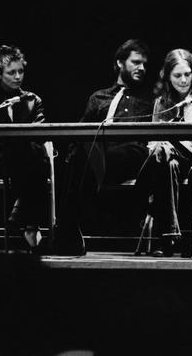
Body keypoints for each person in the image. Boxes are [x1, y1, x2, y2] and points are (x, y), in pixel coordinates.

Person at [55, 39, 155, 255]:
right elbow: (80, 133)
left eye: (144, 64)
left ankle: (65, 231)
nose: (142, 68)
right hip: (96, 158)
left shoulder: (150, 99)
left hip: (130, 156)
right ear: (120, 62)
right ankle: (68, 231)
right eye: (136, 62)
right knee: (74, 157)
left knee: (91, 156)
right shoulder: (98, 97)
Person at [0, 45, 47, 252]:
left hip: (28, 162)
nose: (18, 77)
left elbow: (40, 134)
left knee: (34, 156)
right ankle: (29, 225)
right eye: (11, 72)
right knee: (33, 158)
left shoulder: (33, 100)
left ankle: (19, 217)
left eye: (21, 71)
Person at [148, 48, 192, 256]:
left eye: (187, 74)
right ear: (167, 77)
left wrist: (172, 145)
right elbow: (153, 140)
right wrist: (162, 148)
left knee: (166, 156)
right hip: (168, 161)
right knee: (168, 164)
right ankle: (170, 235)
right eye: (177, 75)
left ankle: (165, 238)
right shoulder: (161, 102)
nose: (183, 80)